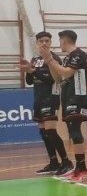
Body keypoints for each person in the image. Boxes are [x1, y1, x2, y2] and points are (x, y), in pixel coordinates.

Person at [39, 30, 87, 181]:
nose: (59, 44)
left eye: (60, 41)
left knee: (75, 131)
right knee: (71, 131)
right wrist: (49, 61)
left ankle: (82, 168)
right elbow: (58, 78)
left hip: (78, 97)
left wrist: (50, 60)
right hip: (68, 97)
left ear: (64, 41)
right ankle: (78, 168)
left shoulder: (78, 54)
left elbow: (67, 73)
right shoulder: (68, 57)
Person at [20, 31, 69, 174]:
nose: (44, 43)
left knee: (51, 131)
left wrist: (33, 71)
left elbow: (51, 80)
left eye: (47, 41)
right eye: (41, 41)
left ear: (51, 43)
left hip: (51, 98)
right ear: (37, 43)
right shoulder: (35, 59)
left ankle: (66, 161)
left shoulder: (54, 58)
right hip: (39, 98)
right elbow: (30, 81)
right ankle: (53, 162)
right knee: (43, 132)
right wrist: (28, 71)